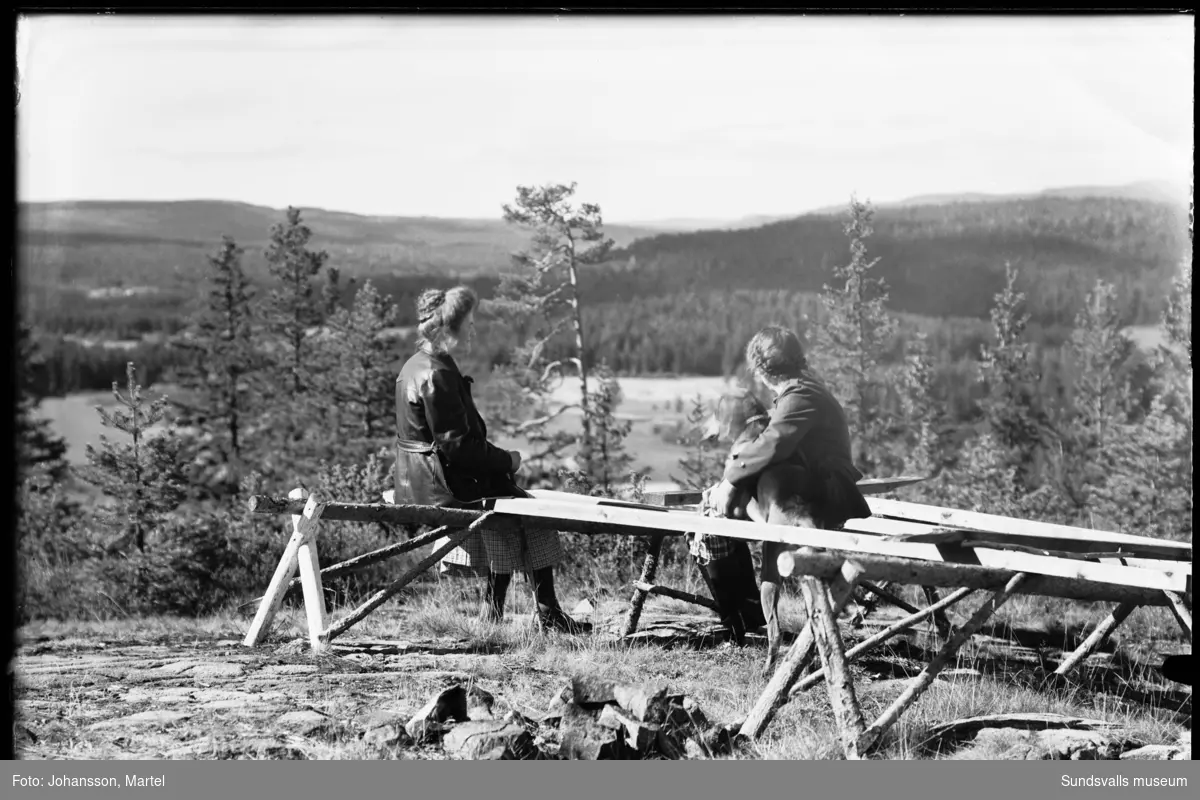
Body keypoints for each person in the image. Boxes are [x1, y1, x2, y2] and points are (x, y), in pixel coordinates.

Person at [392, 285, 588, 633]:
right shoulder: (436, 372)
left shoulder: (419, 364)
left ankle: (505, 613)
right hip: (445, 484)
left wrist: (498, 463)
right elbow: (459, 448)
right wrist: (509, 460)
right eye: (469, 322)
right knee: (531, 512)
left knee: (513, 501)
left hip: (424, 479)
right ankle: (539, 612)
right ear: (447, 327)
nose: (474, 328)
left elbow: (455, 444)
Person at [702, 326, 872, 636]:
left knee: (713, 509)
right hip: (810, 491)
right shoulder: (800, 391)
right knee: (721, 503)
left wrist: (730, 478)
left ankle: (741, 618)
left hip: (819, 496)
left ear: (760, 368)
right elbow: (771, 439)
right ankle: (748, 613)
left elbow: (773, 443)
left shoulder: (801, 395)